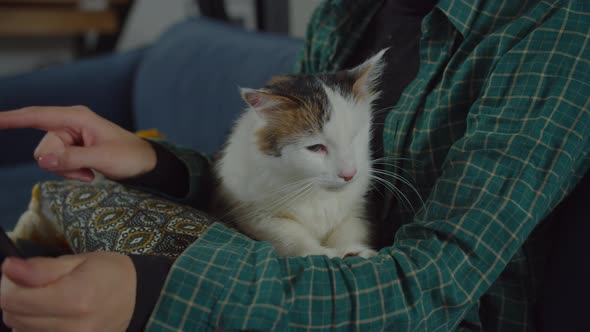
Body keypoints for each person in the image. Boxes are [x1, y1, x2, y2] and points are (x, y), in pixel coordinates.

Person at [0, 0, 588, 331]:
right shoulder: (348, 14)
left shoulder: (556, 34)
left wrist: (157, 295)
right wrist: (159, 166)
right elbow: (292, 184)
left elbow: (432, 288)